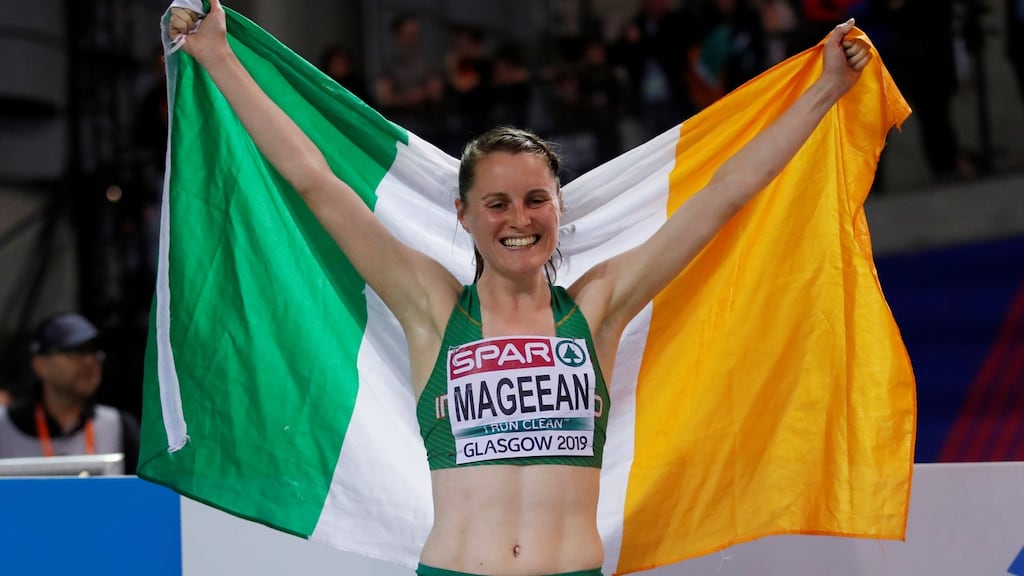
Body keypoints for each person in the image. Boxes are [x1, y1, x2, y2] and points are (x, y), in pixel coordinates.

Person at [169, 3, 870, 574]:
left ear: (559, 208)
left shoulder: (598, 304)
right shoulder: (430, 305)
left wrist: (827, 92)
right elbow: (315, 182)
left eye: (536, 199)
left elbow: (725, 196)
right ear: (464, 215)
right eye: (497, 204)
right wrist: (219, 58)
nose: (518, 220)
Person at [0, 313, 140, 474]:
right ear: (40, 365)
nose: (89, 361)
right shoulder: (5, 427)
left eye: (94, 351)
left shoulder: (120, 428)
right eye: (76, 351)